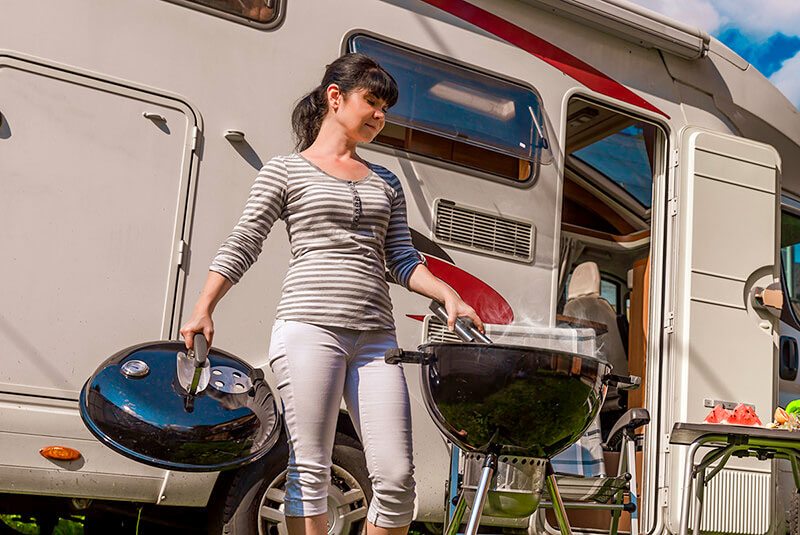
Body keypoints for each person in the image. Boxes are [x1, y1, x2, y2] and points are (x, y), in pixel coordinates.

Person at [179, 52, 484, 535]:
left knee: (397, 479)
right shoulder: (285, 171)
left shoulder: (387, 181)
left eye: (387, 108)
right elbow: (243, 242)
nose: (381, 117)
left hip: (376, 340)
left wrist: (446, 293)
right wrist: (204, 308)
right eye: (373, 102)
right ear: (335, 97)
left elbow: (402, 260)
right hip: (309, 329)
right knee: (308, 470)